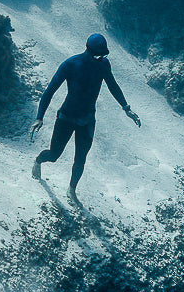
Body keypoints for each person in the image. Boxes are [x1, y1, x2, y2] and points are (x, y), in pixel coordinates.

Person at [30, 33, 140, 201]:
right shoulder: (70, 64)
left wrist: (126, 108)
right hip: (66, 118)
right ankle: (38, 160)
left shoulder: (103, 64)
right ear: (88, 50)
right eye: (97, 55)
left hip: (87, 121)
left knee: (80, 159)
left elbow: (113, 85)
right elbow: (49, 91)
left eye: (104, 55)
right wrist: (39, 117)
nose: (100, 58)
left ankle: (71, 190)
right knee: (53, 155)